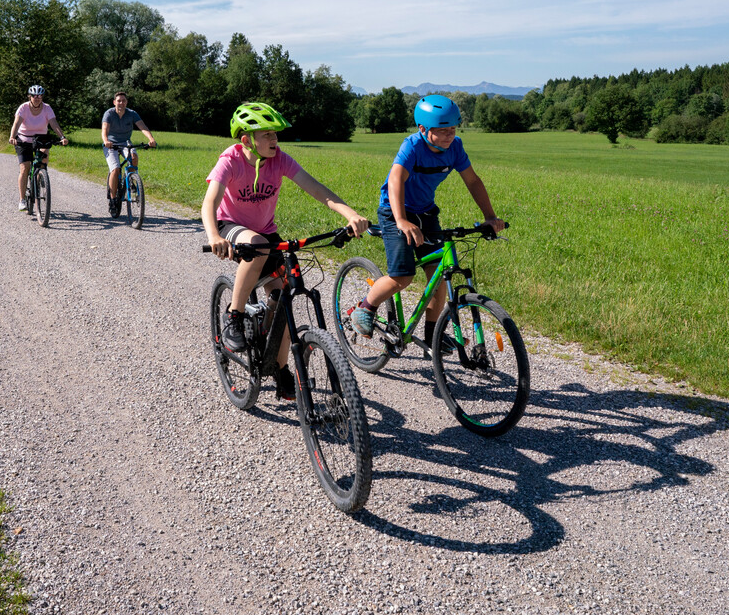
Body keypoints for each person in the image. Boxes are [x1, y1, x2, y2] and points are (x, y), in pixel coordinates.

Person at [202, 102, 369, 400]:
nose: (274, 140)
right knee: (257, 246)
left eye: (275, 134)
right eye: (266, 134)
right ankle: (235, 316)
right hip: (232, 228)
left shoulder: (280, 160)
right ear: (246, 140)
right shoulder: (230, 160)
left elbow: (317, 189)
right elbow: (210, 200)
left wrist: (350, 214)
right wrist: (214, 235)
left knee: (285, 299)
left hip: (266, 233)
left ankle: (279, 368)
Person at [350, 94, 505, 347]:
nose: (449, 136)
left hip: (425, 212)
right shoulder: (412, 146)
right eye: (442, 131)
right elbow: (396, 180)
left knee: (439, 274)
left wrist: (489, 216)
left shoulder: (455, 148)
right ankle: (365, 308)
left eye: (453, 129)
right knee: (403, 276)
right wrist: (400, 220)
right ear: (422, 129)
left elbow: (473, 181)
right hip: (394, 211)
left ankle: (434, 336)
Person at [8, 85, 68, 211]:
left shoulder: (47, 108)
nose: (37, 98)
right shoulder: (23, 108)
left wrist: (62, 137)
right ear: (30, 96)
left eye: (39, 96)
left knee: (44, 157)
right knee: (24, 168)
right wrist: (12, 136)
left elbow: (53, 123)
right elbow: (16, 123)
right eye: (34, 96)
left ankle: (41, 175)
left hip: (40, 139)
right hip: (23, 139)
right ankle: (22, 199)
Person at [101, 92, 157, 216]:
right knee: (115, 169)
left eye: (124, 101)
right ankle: (113, 199)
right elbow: (104, 129)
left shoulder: (132, 113)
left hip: (126, 142)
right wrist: (106, 141)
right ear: (114, 102)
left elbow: (142, 127)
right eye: (119, 101)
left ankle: (131, 179)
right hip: (111, 144)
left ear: (126, 102)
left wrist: (151, 139)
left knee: (134, 156)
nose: (121, 103)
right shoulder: (109, 113)